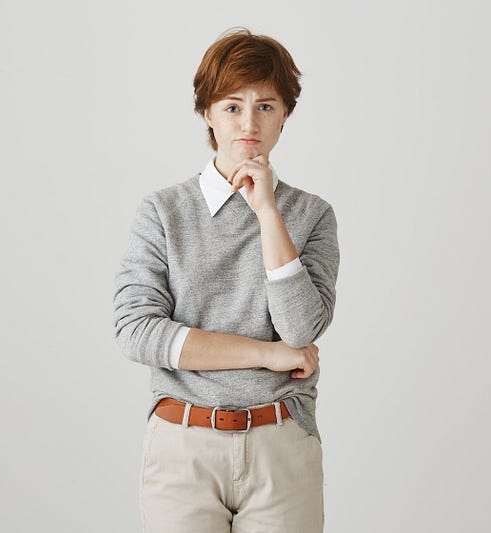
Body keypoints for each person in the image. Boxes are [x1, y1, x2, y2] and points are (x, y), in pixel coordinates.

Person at [113, 27, 340, 532]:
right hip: (183, 444)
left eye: (266, 106)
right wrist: (266, 354)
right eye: (232, 107)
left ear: (286, 115)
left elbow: (301, 330)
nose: (248, 124)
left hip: (281, 443)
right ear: (208, 114)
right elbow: (136, 332)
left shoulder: (312, 215)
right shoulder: (163, 212)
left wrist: (267, 212)